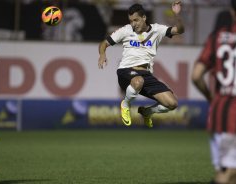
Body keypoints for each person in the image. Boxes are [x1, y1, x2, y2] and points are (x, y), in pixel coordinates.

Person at [98, 1, 184, 127]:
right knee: (138, 81)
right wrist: (102, 54)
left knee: (172, 104)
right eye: (131, 21)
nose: (133, 24)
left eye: (136, 20)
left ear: (144, 18)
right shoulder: (126, 30)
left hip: (146, 75)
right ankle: (125, 104)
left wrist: (177, 15)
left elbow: (179, 30)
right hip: (126, 71)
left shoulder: (157, 30)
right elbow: (104, 43)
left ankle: (147, 112)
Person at [192, 0, 236, 183]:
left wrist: (211, 97)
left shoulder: (217, 37)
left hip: (221, 111)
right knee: (229, 173)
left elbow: (196, 76)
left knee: (228, 171)